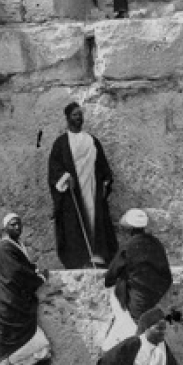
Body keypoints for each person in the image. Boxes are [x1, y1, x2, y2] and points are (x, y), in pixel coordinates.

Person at [47, 103, 118, 268]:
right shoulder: (61, 143)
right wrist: (65, 178)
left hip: (92, 189)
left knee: (95, 219)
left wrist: (105, 181)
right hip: (72, 193)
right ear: (67, 118)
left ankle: (97, 257)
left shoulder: (92, 141)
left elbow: (103, 166)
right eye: (75, 115)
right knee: (75, 223)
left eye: (80, 114)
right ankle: (80, 259)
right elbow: (54, 169)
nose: (78, 117)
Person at [0, 212, 51, 365]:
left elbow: (24, 266)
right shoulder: (5, 247)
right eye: (12, 224)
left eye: (18, 224)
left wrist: (34, 270)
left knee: (31, 339)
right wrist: (39, 278)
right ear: (5, 228)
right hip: (7, 299)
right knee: (8, 339)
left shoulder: (16, 245)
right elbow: (16, 272)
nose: (16, 227)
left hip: (16, 299)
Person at [102, 209, 173, 348]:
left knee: (138, 329)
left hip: (137, 294)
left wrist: (111, 280)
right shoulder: (156, 243)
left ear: (129, 229)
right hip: (155, 294)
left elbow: (112, 274)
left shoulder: (129, 246)